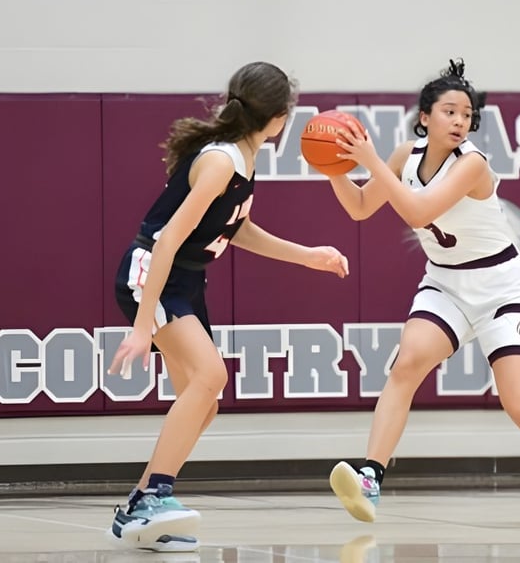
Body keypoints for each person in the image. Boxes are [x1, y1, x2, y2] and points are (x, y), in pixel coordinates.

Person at [323, 59, 520, 524]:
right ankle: (371, 476)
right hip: (446, 282)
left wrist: (368, 158)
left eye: (467, 114)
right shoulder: (403, 156)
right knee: (406, 364)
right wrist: (331, 165)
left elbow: (416, 212)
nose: (460, 121)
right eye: (450, 111)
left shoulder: (472, 164)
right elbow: (358, 206)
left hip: (502, 287)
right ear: (424, 117)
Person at [106, 62, 349, 551]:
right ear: (280, 119)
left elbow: (235, 229)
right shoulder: (221, 161)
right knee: (211, 377)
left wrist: (309, 257)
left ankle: (137, 506)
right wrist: (140, 325)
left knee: (205, 403)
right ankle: (154, 495)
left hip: (185, 281)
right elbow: (169, 237)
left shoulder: (241, 157)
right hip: (155, 275)